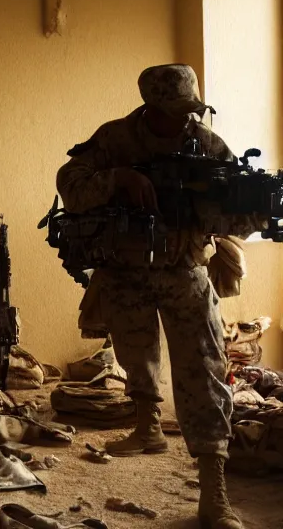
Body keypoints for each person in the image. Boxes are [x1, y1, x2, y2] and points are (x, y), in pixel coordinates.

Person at [56, 64, 263, 529]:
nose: (184, 121)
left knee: (205, 373)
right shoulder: (115, 138)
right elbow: (70, 184)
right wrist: (120, 178)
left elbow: (229, 212)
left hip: (183, 270)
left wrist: (250, 212)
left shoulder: (205, 142)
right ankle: (148, 428)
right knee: (134, 352)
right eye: (174, 111)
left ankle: (214, 492)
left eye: (190, 110)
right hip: (125, 271)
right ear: (151, 106)